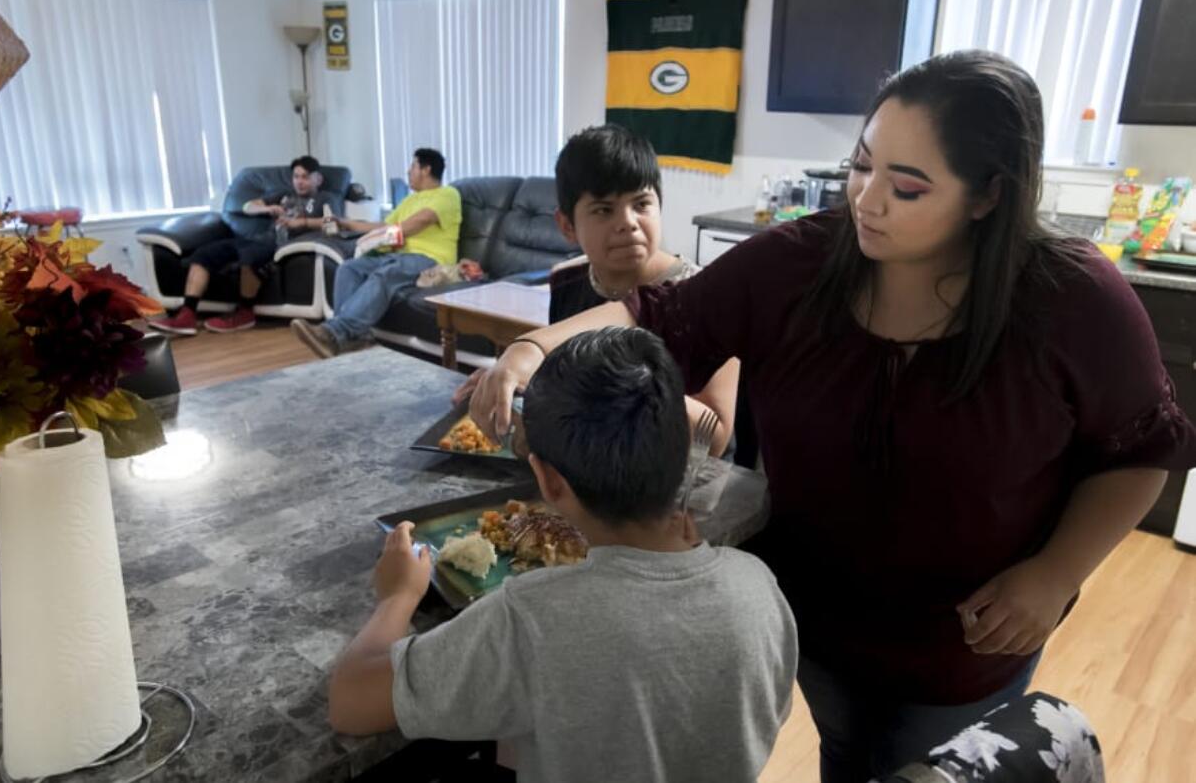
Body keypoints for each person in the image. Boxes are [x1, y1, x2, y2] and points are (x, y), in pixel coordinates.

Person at [468, 51, 1196, 783]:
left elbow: (1140, 449)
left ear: (988, 196)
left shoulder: (1074, 299)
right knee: (847, 756)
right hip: (813, 614)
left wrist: (1056, 571)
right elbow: (657, 315)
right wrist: (531, 348)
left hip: (963, 644)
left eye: (907, 188)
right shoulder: (800, 262)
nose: (867, 200)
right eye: (861, 166)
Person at [328, 327, 797, 783]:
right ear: (683, 460)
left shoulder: (533, 619)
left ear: (548, 481)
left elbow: (350, 701)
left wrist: (398, 596)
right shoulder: (759, 587)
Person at [454, 124, 739, 455]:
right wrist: (514, 383)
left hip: (688, 481)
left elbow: (715, 439)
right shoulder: (567, 281)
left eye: (642, 204)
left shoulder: (705, 296)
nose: (628, 221)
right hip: (602, 466)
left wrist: (616, 387)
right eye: (604, 209)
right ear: (566, 226)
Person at [291, 148, 461, 357]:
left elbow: (421, 221)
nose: (408, 172)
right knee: (348, 268)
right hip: (398, 256)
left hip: (428, 259)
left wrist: (388, 234)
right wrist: (345, 222)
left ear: (426, 169)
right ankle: (350, 339)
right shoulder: (409, 200)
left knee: (385, 275)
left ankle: (335, 332)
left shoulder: (448, 194)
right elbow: (382, 225)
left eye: (413, 166)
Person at [150, 155, 331, 335]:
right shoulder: (283, 194)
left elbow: (333, 223)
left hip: (278, 247)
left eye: (305, 177)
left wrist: (303, 223)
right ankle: (187, 315)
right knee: (204, 254)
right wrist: (266, 209)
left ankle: (244, 314)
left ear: (318, 179)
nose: (299, 182)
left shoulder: (325, 198)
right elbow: (247, 207)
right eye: (296, 176)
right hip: (256, 240)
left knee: (249, 258)